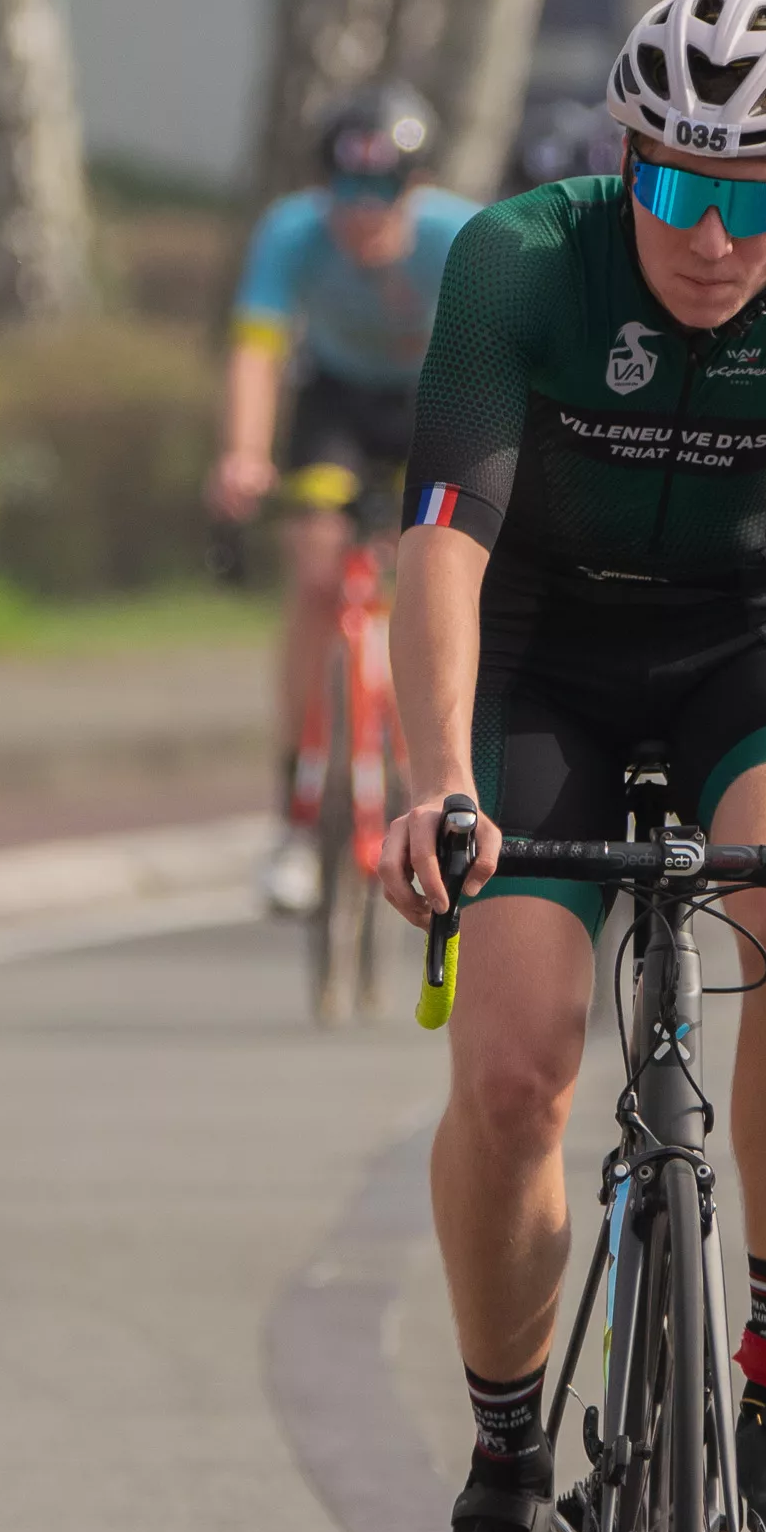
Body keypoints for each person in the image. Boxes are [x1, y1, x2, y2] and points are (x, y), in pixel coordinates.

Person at [372, 0, 766, 1532]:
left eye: (753, 201)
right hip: (543, 648)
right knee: (515, 1070)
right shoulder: (519, 258)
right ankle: (506, 1449)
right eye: (674, 190)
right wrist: (433, 780)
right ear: (627, 159)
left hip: (753, 633)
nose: (710, 239)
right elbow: (441, 542)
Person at [206, 81, 479, 915]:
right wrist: (243, 455)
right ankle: (295, 810)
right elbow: (257, 351)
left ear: (416, 186)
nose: (362, 211)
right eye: (346, 189)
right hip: (338, 406)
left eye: (383, 189)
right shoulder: (291, 231)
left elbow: (502, 366)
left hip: (434, 401)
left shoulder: (459, 236)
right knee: (318, 576)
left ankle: (418, 765)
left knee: (432, 576)